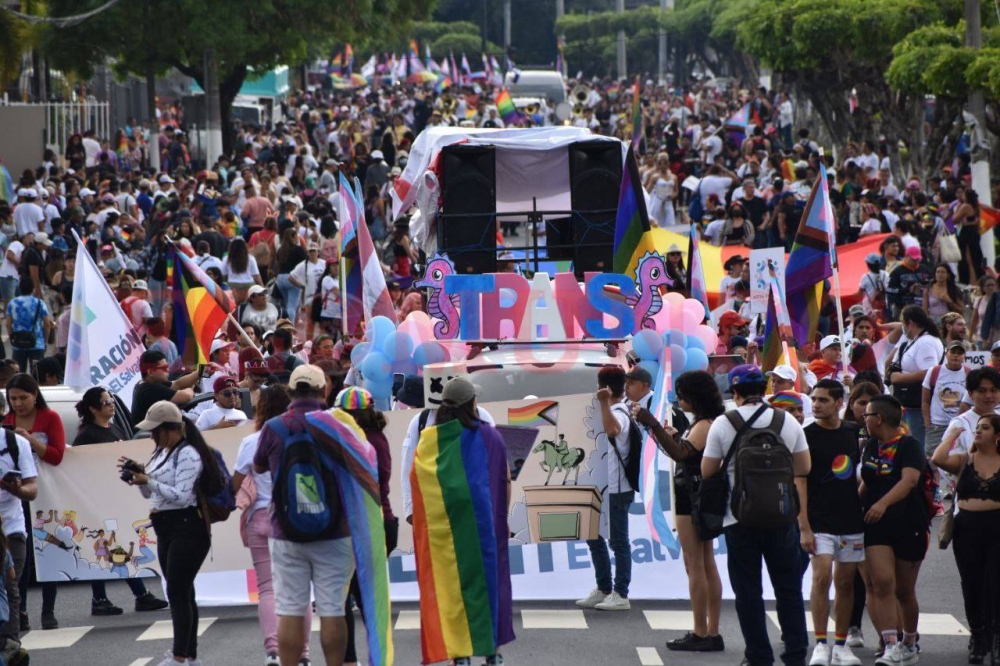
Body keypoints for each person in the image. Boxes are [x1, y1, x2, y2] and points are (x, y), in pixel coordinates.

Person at [702, 364, 811, 666]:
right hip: (782, 515)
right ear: (764, 389)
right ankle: (796, 654)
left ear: (734, 392)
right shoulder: (786, 420)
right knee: (789, 590)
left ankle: (759, 656)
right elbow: (804, 467)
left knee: (748, 592)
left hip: (739, 519)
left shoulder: (725, 423)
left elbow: (708, 470)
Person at [253, 365, 353, 666]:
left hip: (286, 531)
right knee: (333, 608)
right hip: (335, 530)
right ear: (325, 391)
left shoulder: (273, 427)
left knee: (291, 610)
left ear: (291, 393)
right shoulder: (339, 424)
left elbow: (258, 467)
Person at [410, 376, 514, 666]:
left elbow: (419, 480)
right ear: (472, 404)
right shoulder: (489, 435)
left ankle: (461, 655)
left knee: (452, 588)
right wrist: (502, 518)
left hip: (447, 531)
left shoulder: (430, 439)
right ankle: (492, 653)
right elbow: (504, 478)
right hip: (484, 527)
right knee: (487, 586)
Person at [124, 401, 222, 666]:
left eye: (155, 431)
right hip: (165, 526)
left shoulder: (188, 453)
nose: (152, 436)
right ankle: (189, 656)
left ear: (170, 429)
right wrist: (139, 476)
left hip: (188, 526)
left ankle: (179, 656)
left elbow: (182, 496)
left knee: (178, 593)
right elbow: (149, 493)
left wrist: (149, 480)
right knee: (182, 592)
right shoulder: (159, 453)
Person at [634, 371, 724, 653]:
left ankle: (702, 632)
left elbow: (680, 454)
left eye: (682, 394)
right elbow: (684, 449)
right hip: (699, 496)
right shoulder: (705, 422)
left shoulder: (705, 424)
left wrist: (652, 425)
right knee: (705, 563)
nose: (678, 399)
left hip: (692, 498)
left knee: (695, 564)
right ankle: (711, 630)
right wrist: (665, 433)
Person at [232, 385, 312, 666]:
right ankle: (302, 654)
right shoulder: (300, 436)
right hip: (291, 519)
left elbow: (236, 482)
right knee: (299, 589)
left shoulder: (251, 442)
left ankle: (273, 651)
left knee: (266, 588)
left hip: (259, 519)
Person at [72, 387, 168, 615]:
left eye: (112, 400)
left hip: (116, 497)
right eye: (106, 402)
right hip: (98, 500)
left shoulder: (112, 427)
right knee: (105, 548)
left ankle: (135, 596)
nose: (112, 405)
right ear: (94, 408)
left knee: (118, 545)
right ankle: (105, 598)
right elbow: (81, 469)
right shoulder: (86, 435)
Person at [799, 380, 864, 666]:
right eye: (814, 399)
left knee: (846, 582)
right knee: (821, 576)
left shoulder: (854, 433)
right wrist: (803, 525)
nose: (816, 404)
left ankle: (840, 645)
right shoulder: (805, 435)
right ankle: (820, 644)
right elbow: (799, 481)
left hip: (851, 519)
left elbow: (862, 475)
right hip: (818, 519)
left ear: (840, 403)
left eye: (823, 400)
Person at [859, 395, 928, 665]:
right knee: (882, 583)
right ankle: (890, 644)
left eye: (866, 415)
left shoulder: (909, 445)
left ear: (878, 418)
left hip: (908, 522)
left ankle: (909, 641)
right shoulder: (870, 446)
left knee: (903, 590)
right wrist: (856, 506)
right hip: (876, 525)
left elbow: (909, 481)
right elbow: (866, 480)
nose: (863, 420)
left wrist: (882, 504)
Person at [334, 387, 398, 666]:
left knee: (345, 597)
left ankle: (350, 660)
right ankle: (378, 657)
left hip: (356, 526)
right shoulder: (378, 439)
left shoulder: (350, 442)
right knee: (369, 599)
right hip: (382, 522)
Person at [932, 413, 1000, 664]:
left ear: (998, 435)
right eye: (978, 427)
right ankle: (978, 636)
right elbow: (938, 459)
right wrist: (952, 434)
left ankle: (995, 637)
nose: (978, 431)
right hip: (967, 528)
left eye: (985, 428)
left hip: (996, 529)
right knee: (971, 583)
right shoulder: (964, 460)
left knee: (994, 583)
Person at [3, 372, 65, 631]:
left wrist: (28, 440)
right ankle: (22, 609)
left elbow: (57, 455)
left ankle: (48, 609)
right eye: (13, 399)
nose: (18, 404)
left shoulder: (50, 418)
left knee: (48, 548)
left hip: (47, 494)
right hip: (16, 498)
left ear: (35, 395)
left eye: (23, 398)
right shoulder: (7, 421)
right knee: (21, 559)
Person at [576, 366, 634, 611]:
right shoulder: (612, 409)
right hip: (599, 485)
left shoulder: (619, 411)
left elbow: (613, 430)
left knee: (618, 541)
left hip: (618, 487)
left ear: (604, 387)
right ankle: (603, 588)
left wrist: (603, 402)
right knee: (593, 535)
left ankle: (621, 593)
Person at [886, 305, 943, 447]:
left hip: (918, 402)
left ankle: (923, 467)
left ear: (910, 323)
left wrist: (899, 378)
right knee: (911, 438)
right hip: (908, 401)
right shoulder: (913, 341)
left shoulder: (926, 342)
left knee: (918, 440)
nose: (902, 326)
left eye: (902, 322)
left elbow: (930, 371)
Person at [131, 350, 199, 427]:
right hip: (150, 435)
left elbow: (178, 384)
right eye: (164, 368)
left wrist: (200, 372)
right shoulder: (149, 390)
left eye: (167, 366)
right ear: (150, 372)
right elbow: (186, 396)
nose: (168, 370)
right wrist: (191, 387)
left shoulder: (148, 382)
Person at [5, 275, 52, 372]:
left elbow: (8, 323)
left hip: (18, 342)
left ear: (19, 288)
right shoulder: (40, 303)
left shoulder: (12, 303)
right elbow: (47, 324)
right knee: (38, 373)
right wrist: (45, 341)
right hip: (37, 342)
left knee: (18, 373)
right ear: (33, 288)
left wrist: (11, 337)